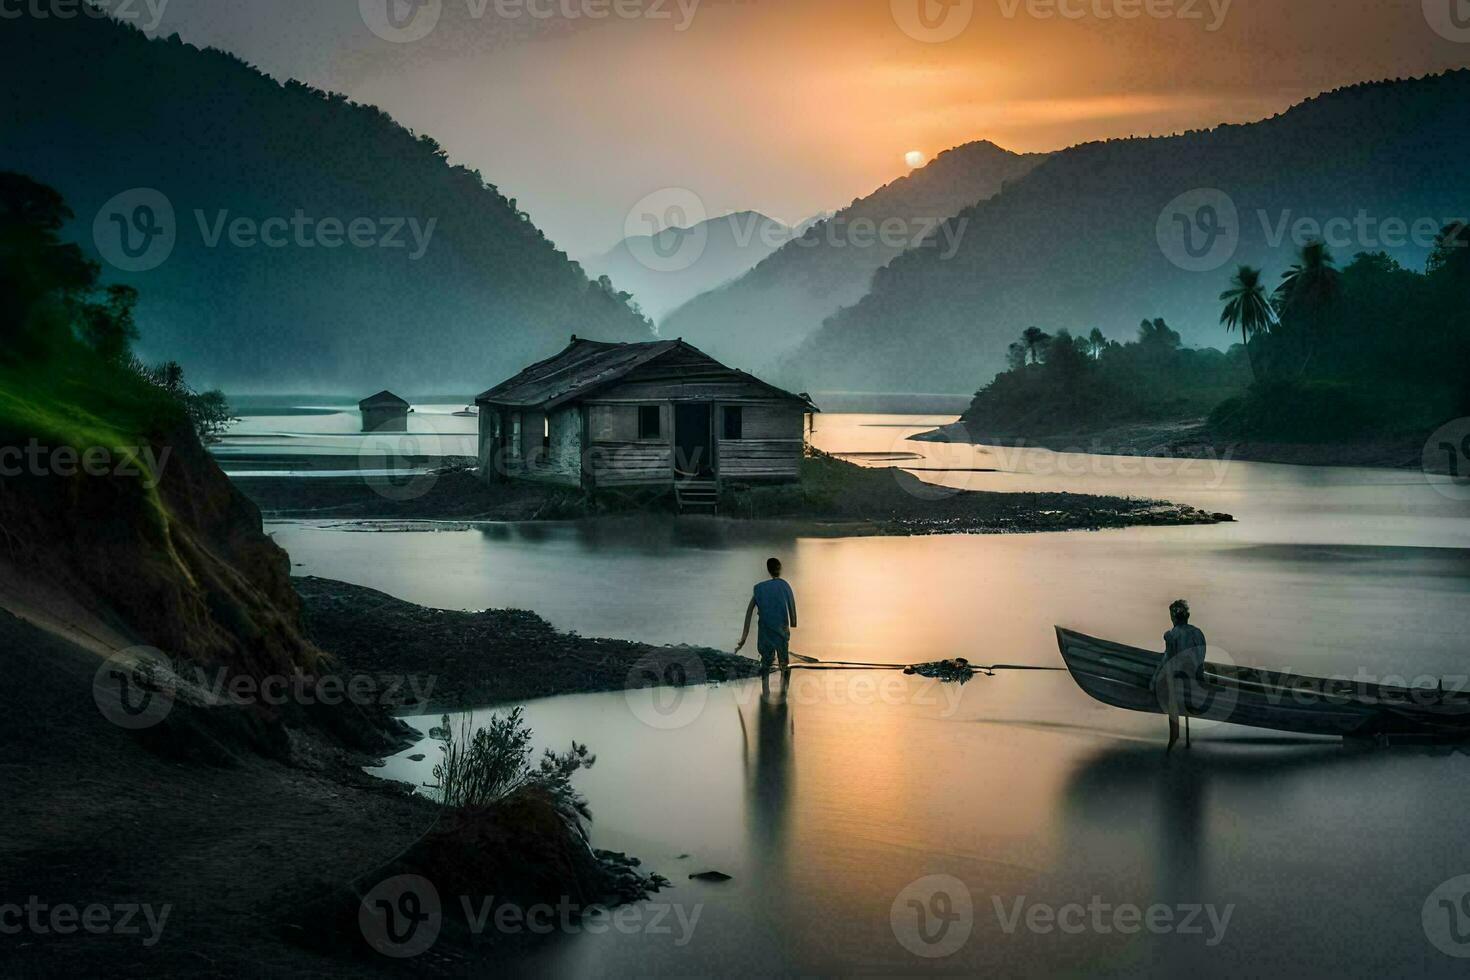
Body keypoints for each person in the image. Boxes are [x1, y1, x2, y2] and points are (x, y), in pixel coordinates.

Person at [1154, 599, 1206, 751]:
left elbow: (1167, 660)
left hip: (1181, 681)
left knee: (1170, 693)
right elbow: (1201, 656)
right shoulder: (1197, 632)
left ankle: (1174, 736)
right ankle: (1185, 739)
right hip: (1196, 677)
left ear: (1173, 617)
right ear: (1187, 616)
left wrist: (1154, 680)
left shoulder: (1172, 635)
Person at [736, 557, 797, 674]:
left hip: (765, 632)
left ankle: (765, 691)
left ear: (768, 570)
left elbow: (749, 613)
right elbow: (792, 606)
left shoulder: (760, 588)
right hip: (781, 631)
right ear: (780, 569)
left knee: (765, 664)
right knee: (784, 664)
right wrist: (793, 622)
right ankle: (784, 689)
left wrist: (743, 639)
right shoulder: (784, 585)